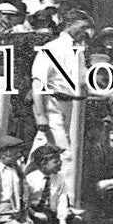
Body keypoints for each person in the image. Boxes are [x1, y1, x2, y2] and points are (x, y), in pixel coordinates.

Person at [30, 11, 91, 200]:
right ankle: (68, 206)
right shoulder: (52, 47)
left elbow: (82, 80)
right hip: (52, 105)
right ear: (69, 24)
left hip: (69, 106)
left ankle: (29, 200)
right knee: (64, 156)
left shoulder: (77, 51)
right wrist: (40, 115)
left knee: (39, 156)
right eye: (82, 27)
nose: (85, 32)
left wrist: (104, 92)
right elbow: (38, 83)